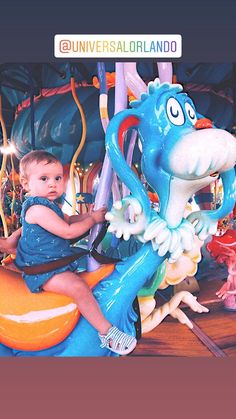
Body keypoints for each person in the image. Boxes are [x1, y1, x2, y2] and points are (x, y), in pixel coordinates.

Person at [14, 150, 136, 355]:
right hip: (43, 271)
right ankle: (107, 333)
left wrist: (92, 215)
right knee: (79, 287)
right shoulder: (37, 210)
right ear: (26, 184)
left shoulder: (50, 205)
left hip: (55, 262)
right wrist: (92, 220)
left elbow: (70, 220)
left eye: (57, 178)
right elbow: (68, 231)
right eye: (44, 178)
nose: (52, 183)